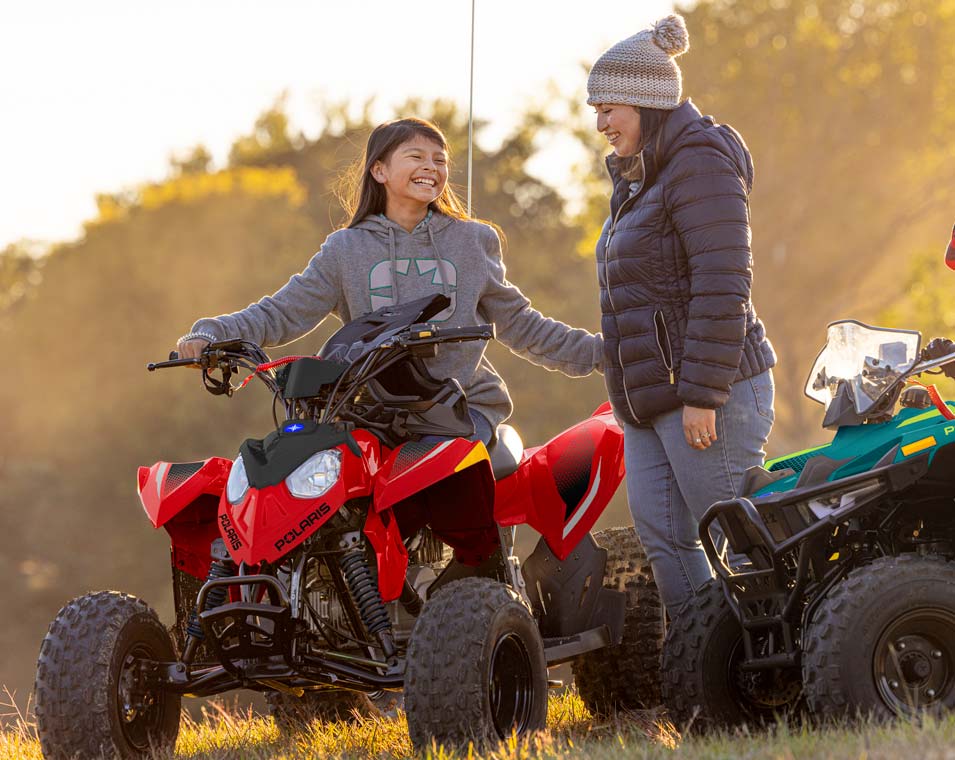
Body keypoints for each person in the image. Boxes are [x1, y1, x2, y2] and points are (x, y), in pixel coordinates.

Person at [176, 117, 602, 446]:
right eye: (416, 156)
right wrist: (211, 333)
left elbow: (522, 325)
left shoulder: (472, 241)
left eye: (439, 160)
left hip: (461, 407)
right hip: (372, 412)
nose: (431, 167)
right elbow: (282, 312)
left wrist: (604, 353)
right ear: (379, 170)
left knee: (432, 471)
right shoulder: (346, 249)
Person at [586, 14, 777, 612]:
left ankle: (781, 659)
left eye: (608, 109)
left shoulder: (699, 162)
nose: (600, 124)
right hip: (649, 400)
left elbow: (723, 284)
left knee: (741, 542)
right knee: (666, 540)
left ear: (646, 102)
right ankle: (703, 660)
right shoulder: (638, 178)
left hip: (708, 392)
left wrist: (702, 393)